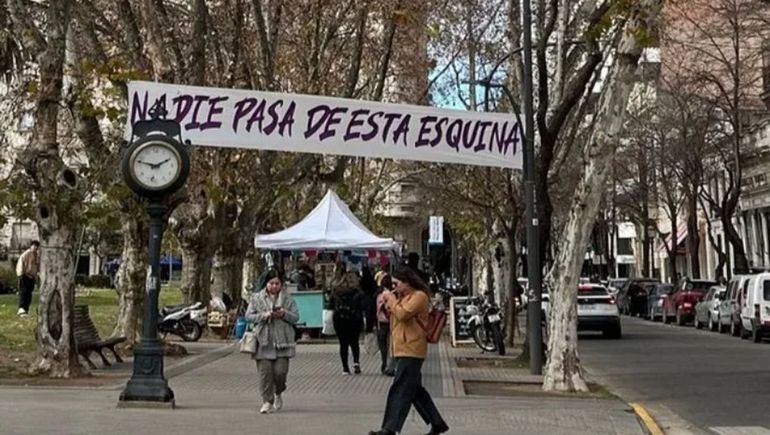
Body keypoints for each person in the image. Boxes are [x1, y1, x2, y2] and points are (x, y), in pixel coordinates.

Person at [369, 266, 449, 435]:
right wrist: (388, 303)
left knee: (400, 388)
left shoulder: (419, 296)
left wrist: (391, 300)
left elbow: (403, 314)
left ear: (407, 282)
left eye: (397, 283)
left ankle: (389, 428)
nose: (394, 287)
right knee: (414, 389)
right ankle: (437, 422)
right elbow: (394, 315)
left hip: (412, 348)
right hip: (401, 347)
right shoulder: (402, 297)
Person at [245, 268, 300, 414]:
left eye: (277, 283)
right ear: (266, 284)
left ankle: (278, 392)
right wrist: (264, 315)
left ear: (281, 284)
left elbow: (296, 317)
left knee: (280, 373)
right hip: (263, 340)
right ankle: (266, 401)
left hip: (283, 341)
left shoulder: (288, 299)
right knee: (265, 374)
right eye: (271, 283)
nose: (274, 286)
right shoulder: (256, 298)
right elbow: (248, 316)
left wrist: (283, 314)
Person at [332, 266, 365, 375]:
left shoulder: (336, 292)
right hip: (354, 320)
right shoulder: (358, 292)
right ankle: (356, 363)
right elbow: (363, 306)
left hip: (339, 320)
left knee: (343, 344)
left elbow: (330, 305)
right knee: (354, 342)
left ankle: (345, 368)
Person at [375, 272, 396, 376]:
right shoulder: (393, 295)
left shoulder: (379, 295)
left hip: (381, 322)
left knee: (383, 345)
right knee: (392, 345)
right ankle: (391, 365)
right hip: (392, 321)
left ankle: (384, 364)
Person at [16, 241, 40, 317]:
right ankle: (21, 309)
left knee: (29, 294)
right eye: (34, 246)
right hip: (24, 275)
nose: (35, 247)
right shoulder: (26, 254)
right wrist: (20, 274)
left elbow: (37, 266)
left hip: (32, 277)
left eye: (37, 246)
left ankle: (25, 309)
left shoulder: (36, 255)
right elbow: (21, 263)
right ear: (31, 246)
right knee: (23, 292)